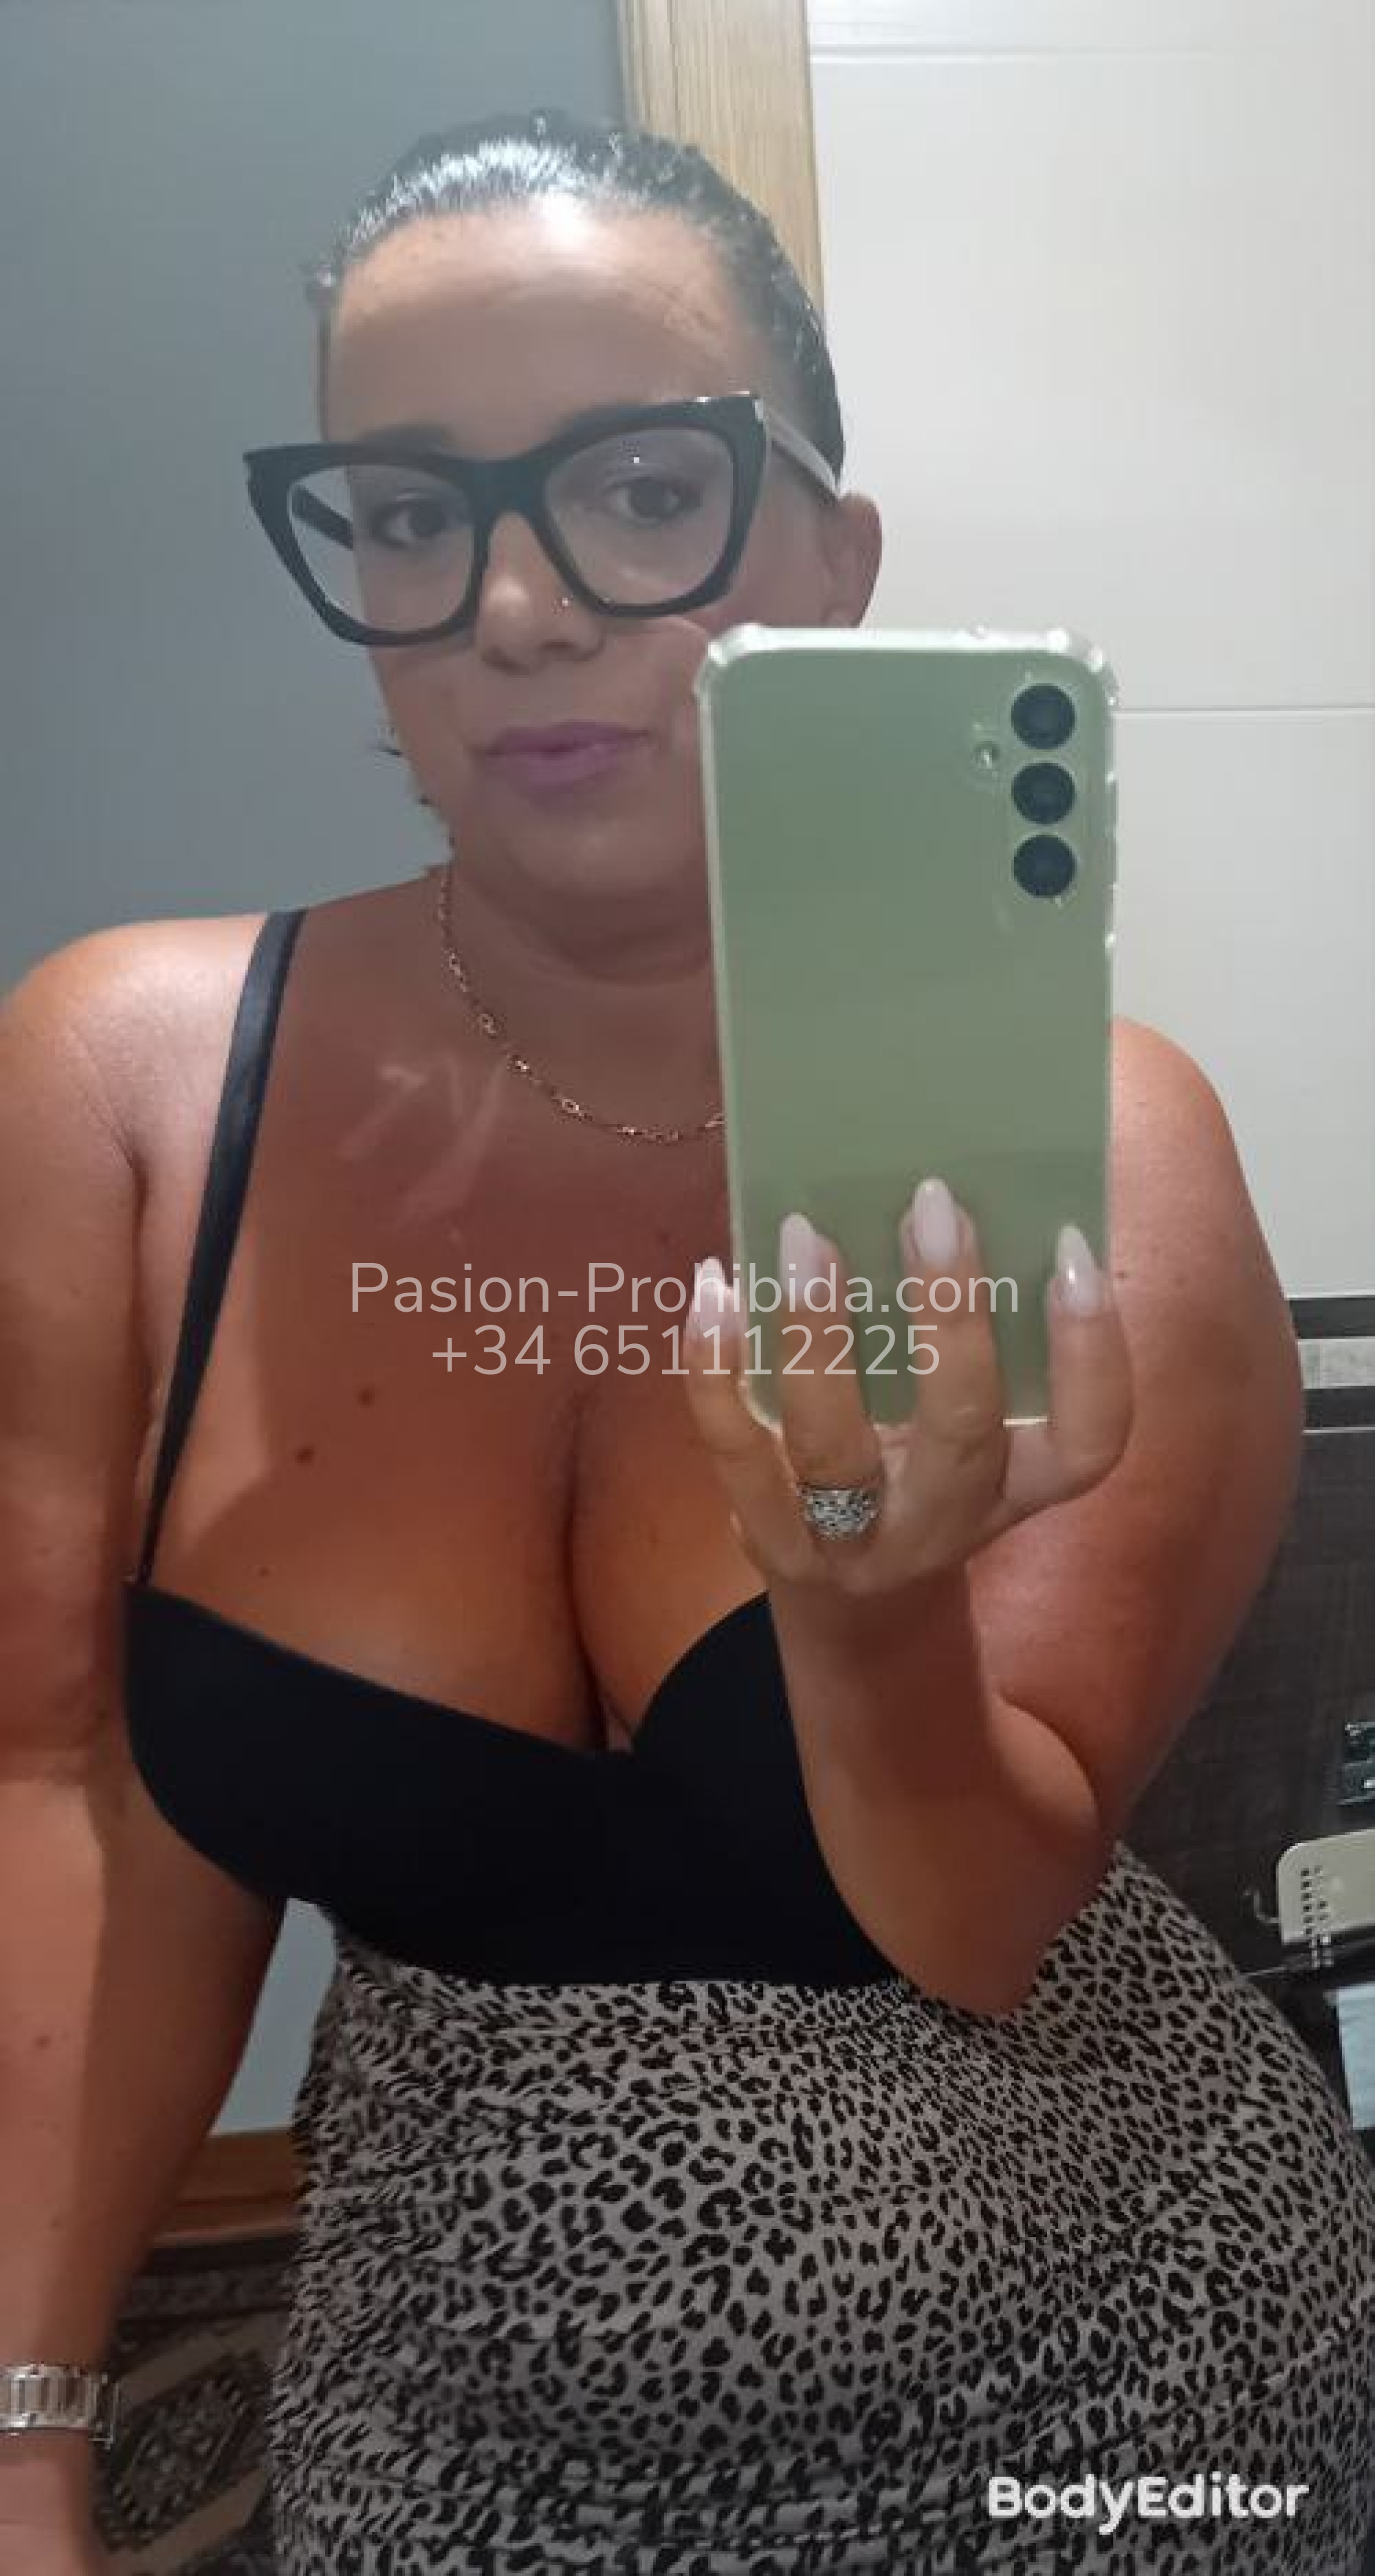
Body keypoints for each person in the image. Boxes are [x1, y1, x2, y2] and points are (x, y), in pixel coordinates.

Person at [1, 104, 1373, 2576]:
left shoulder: (1103, 1150)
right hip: (448, 2369)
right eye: (410, 513)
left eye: (644, 487)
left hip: (1117, 2362)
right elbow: (72, 1782)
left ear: (835, 559)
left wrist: (863, 1609)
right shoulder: (123, 1085)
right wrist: (27, 2418)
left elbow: (976, 1918)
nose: (519, 605)